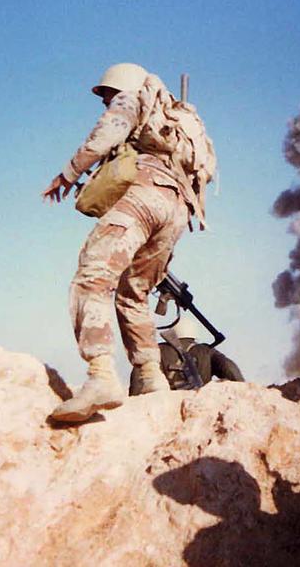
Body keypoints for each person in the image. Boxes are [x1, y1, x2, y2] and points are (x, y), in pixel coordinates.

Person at [43, 63, 215, 423]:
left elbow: (108, 132)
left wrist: (68, 174)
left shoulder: (132, 98)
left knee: (93, 276)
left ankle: (101, 375)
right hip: (178, 209)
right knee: (134, 292)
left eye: (107, 96)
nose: (106, 103)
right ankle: (152, 377)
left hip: (144, 193)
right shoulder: (178, 119)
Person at [129, 315, 244, 395]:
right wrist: (243, 389)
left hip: (165, 411)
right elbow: (229, 368)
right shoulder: (206, 351)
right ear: (194, 334)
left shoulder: (157, 350)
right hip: (199, 408)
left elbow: (137, 379)